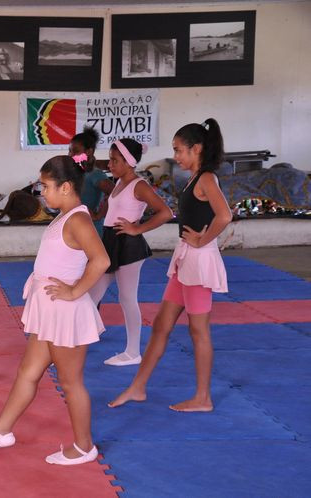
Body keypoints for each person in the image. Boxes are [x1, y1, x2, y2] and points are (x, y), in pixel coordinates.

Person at [0, 155, 109, 465]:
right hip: (49, 309)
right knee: (28, 373)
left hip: (65, 312)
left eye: (45, 186)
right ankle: (0, 431)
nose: (41, 192)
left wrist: (73, 291)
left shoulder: (78, 219)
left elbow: (101, 260)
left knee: (71, 383)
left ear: (66, 186)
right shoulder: (64, 215)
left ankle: (84, 447)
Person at [108, 118, 232, 412]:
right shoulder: (195, 177)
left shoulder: (206, 178)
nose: (175, 156)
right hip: (185, 260)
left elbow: (224, 215)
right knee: (161, 326)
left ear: (197, 148)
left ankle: (203, 398)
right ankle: (137, 387)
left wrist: (203, 241)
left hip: (199, 262)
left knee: (198, 332)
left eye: (179, 150)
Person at [87, 139, 173, 366]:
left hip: (128, 245)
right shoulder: (118, 183)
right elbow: (111, 207)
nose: (111, 164)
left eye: (116, 160)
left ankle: (133, 352)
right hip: (110, 241)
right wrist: (97, 216)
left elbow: (165, 212)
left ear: (130, 162)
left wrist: (138, 228)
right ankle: (75, 345)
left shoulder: (139, 185)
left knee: (127, 298)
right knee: (91, 296)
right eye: (111, 159)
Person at [70, 127, 114, 237]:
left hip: (91, 230)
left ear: (89, 151)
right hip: (75, 226)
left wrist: (99, 215)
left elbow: (116, 192)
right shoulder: (76, 172)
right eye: (69, 150)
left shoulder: (95, 174)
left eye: (75, 151)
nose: (70, 154)